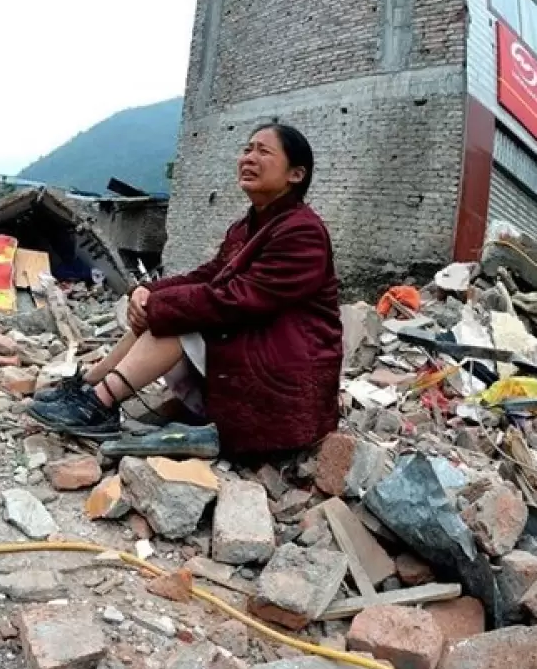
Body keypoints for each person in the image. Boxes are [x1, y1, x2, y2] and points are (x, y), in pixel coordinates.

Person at [28, 121, 343, 460]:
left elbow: (239, 299)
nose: (249, 158)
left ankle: (99, 404)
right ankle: (90, 385)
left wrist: (159, 304)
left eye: (263, 151)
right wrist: (147, 290)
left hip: (287, 374)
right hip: (257, 347)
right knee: (169, 307)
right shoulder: (248, 225)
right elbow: (209, 275)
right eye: (247, 149)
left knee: (181, 317)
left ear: (295, 174)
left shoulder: (301, 233)